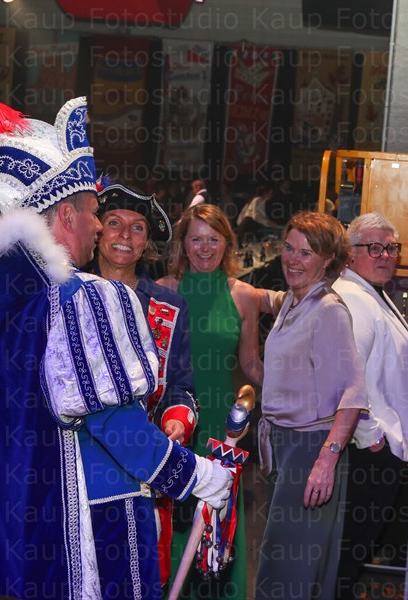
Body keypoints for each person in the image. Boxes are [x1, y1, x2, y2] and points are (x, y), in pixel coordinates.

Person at [0, 91, 232, 599]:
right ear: (65, 215)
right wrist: (195, 475)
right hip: (92, 525)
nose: (98, 224)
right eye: (94, 212)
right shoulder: (85, 297)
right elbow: (113, 423)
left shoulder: (12, 305)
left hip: (29, 527)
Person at [255, 211, 367, 600]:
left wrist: (326, 460)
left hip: (311, 450)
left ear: (328, 260)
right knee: (282, 563)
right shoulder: (294, 300)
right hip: (286, 447)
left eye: (306, 253)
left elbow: (354, 393)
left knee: (291, 571)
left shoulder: (329, 310)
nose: (292, 260)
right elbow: (265, 298)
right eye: (289, 248)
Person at [92, 182, 197, 586]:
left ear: (147, 243)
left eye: (137, 228)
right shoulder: (65, 292)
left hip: (145, 467)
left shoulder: (170, 307)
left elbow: (181, 386)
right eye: (114, 223)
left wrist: (178, 420)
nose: (125, 234)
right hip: (81, 468)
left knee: (138, 577)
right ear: (96, 230)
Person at [157, 203, 263, 600]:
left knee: (219, 520)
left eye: (213, 239)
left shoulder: (244, 296)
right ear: (182, 244)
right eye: (196, 239)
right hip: (173, 422)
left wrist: (295, 391)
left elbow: (250, 364)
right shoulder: (164, 291)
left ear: (227, 243)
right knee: (174, 515)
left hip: (222, 428)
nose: (205, 248)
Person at [330, 211, 408, 599]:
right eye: (374, 247)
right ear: (349, 253)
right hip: (365, 453)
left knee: (350, 554)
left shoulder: (370, 292)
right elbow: (347, 381)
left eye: (391, 247)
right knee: (345, 555)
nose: (385, 255)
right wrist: (373, 439)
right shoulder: (354, 298)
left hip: (373, 450)